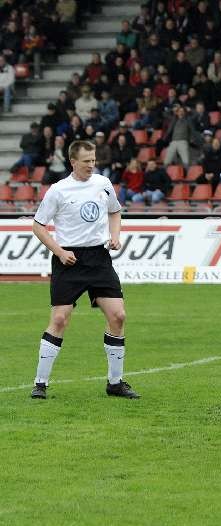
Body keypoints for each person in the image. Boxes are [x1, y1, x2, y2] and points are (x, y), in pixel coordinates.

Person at [30, 140, 139, 400]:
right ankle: (40, 383)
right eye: (86, 161)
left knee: (118, 316)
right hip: (69, 259)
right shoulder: (58, 190)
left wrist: (115, 236)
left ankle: (115, 383)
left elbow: (115, 212)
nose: (92, 165)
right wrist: (60, 252)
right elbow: (38, 226)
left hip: (99, 258)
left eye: (93, 160)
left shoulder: (103, 184)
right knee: (59, 320)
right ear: (73, 162)